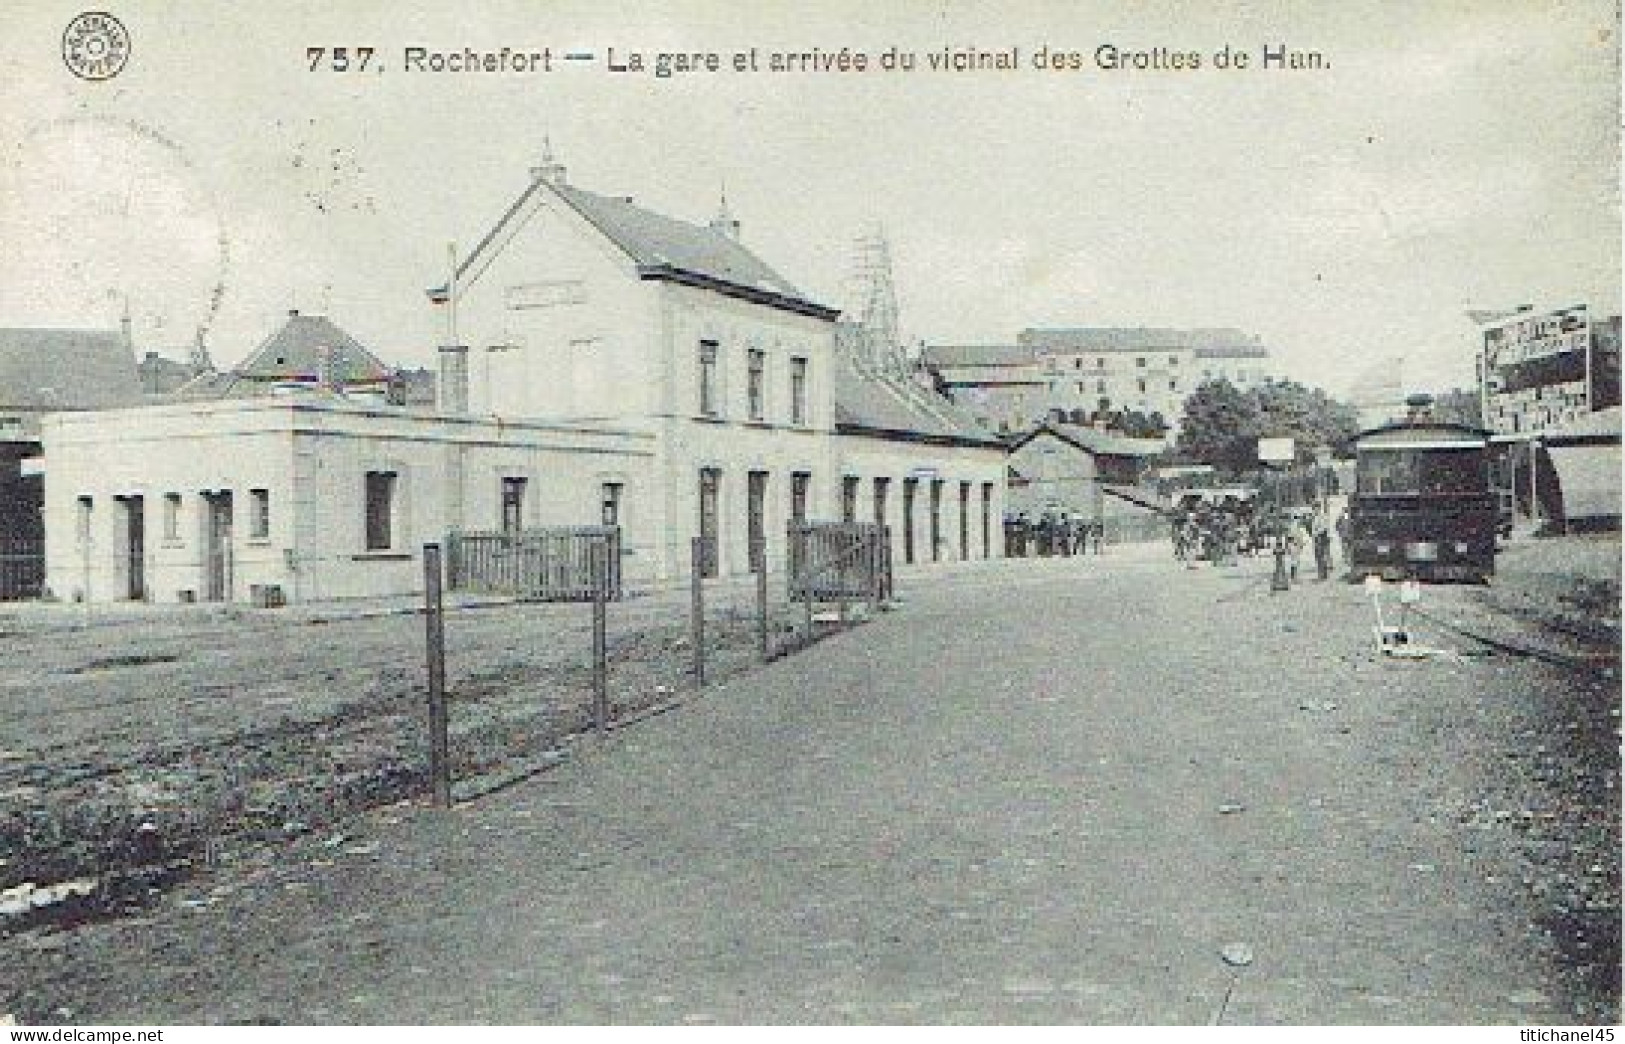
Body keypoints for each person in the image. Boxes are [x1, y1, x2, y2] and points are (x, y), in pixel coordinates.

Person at [1310, 503, 1333, 580]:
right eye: (1314, 509)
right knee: (1318, 556)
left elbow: (1324, 528)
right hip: (1317, 538)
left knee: (1321, 556)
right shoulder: (1314, 517)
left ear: (1319, 508)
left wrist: (1316, 533)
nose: (1315, 510)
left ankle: (1322, 575)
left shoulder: (1322, 517)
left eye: (1316, 508)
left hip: (1321, 537)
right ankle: (1321, 574)